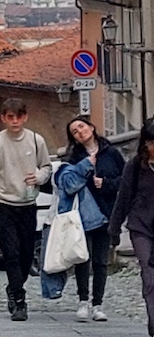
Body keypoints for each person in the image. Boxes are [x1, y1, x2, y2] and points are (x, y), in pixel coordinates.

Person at [0, 97, 52, 321]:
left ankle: (13, 287)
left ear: (25, 117)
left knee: (27, 255)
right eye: (10, 117)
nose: (15, 121)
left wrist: (39, 177)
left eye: (18, 117)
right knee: (11, 253)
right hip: (3, 203)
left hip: (27, 204)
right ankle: (19, 301)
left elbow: (46, 167)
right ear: (3, 118)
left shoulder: (36, 140)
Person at [55, 118, 124, 323]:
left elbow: (125, 180)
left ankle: (98, 304)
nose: (80, 132)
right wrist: (84, 168)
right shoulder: (74, 158)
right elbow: (67, 184)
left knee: (101, 260)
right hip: (82, 214)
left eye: (82, 127)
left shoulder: (111, 153)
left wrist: (106, 184)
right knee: (82, 258)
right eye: (75, 131)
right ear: (74, 138)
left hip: (106, 212)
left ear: (91, 128)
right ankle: (83, 301)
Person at [109, 118, 154, 337]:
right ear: (145, 143)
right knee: (149, 275)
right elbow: (124, 198)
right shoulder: (135, 166)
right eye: (152, 143)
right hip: (141, 226)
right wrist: (114, 229)